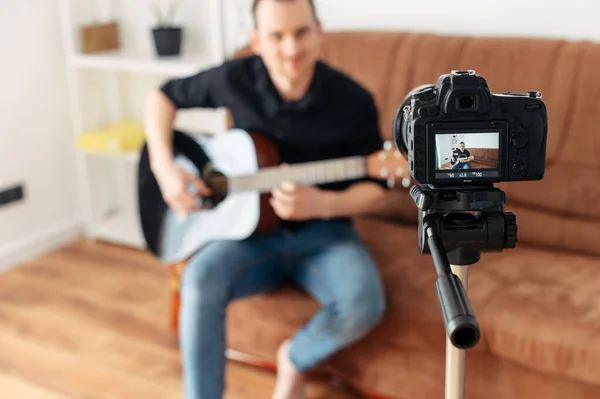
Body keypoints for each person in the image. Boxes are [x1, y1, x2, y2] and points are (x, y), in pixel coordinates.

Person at [143, 0, 393, 398]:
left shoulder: (354, 100)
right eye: (277, 36)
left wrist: (323, 205)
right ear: (256, 41)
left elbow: (379, 193)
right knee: (197, 280)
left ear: (319, 31)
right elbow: (162, 97)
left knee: (363, 302)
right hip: (248, 236)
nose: (291, 49)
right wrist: (164, 167)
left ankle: (294, 358)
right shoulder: (234, 79)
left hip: (325, 235)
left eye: (301, 33)